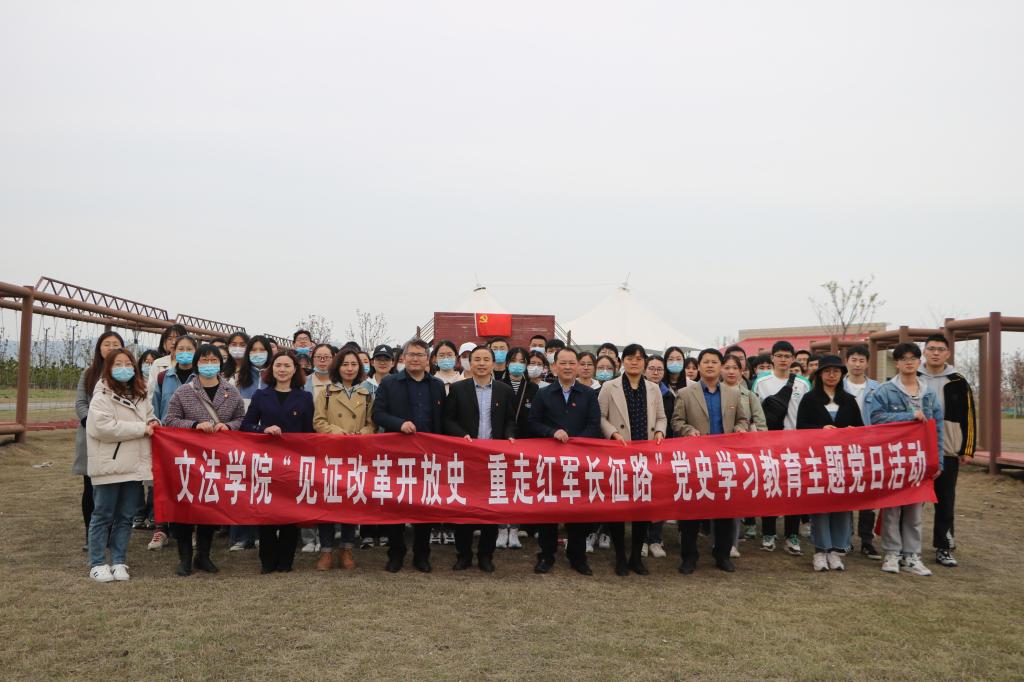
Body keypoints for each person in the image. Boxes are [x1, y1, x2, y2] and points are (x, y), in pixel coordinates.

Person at [164, 344, 246, 576]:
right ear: (197, 363)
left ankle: (203, 555)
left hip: (216, 460)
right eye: (204, 360)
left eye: (213, 360)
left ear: (220, 363)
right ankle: (184, 558)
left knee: (209, 507)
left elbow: (241, 418)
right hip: (188, 459)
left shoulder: (231, 391)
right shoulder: (184, 392)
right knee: (185, 506)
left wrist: (228, 426)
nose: (209, 364)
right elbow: (170, 420)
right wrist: (193, 425)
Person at [866, 342, 943, 577]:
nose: (909, 362)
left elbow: (937, 428)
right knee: (892, 508)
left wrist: (938, 461)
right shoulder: (885, 390)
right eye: (903, 359)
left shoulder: (929, 393)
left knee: (915, 509)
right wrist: (908, 416)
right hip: (894, 457)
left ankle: (912, 555)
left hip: (920, 459)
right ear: (897, 363)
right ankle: (892, 553)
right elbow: (876, 418)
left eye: (913, 358)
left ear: (919, 361)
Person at [671, 348, 750, 574]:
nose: (710, 366)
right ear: (699, 366)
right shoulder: (686, 393)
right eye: (705, 362)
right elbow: (676, 422)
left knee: (725, 510)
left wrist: (739, 429)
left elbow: (743, 420)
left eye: (714, 362)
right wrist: (689, 430)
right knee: (691, 512)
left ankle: (722, 554)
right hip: (696, 460)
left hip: (725, 460)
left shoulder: (733, 393)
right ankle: (689, 557)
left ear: (721, 366)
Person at [372, 338, 447, 573]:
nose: (415, 359)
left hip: (427, 456)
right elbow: (377, 414)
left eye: (420, 355)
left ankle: (422, 555)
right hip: (398, 454)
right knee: (396, 505)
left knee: (425, 505)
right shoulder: (389, 383)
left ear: (428, 359)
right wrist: (399, 424)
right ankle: (396, 554)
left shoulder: (436, 385)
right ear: (403, 358)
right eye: (411, 354)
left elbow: (442, 419)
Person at [85, 348, 158, 582]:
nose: (124, 368)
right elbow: (103, 428)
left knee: (126, 517)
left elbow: (149, 415)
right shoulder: (102, 394)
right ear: (108, 367)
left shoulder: (140, 393)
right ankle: (97, 563)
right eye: (118, 364)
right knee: (103, 515)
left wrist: (153, 422)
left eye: (128, 364)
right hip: (110, 465)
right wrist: (141, 429)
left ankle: (118, 560)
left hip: (134, 466)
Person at [528, 347, 602, 575]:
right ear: (554, 367)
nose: (568, 367)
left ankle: (577, 557)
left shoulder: (588, 394)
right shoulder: (543, 393)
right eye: (563, 363)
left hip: (578, 462)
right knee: (548, 510)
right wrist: (552, 432)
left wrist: (577, 442)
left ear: (578, 366)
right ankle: (546, 555)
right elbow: (533, 423)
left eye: (572, 363)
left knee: (577, 510)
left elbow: (595, 425)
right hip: (551, 462)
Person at [443, 345, 517, 572]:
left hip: (494, 459)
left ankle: (486, 555)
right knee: (464, 508)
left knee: (490, 509)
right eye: (477, 359)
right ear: (469, 363)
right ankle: (463, 555)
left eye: (486, 359)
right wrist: (461, 435)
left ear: (493, 363)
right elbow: (448, 419)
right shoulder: (458, 389)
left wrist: (510, 435)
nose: (482, 363)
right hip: (466, 457)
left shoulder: (504, 390)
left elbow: (510, 419)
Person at [242, 351, 315, 573]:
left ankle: (285, 561)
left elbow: (309, 432)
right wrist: (264, 429)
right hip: (267, 462)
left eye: (287, 366)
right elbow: (246, 425)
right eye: (278, 365)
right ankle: (267, 560)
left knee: (289, 512)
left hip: (293, 463)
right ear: (271, 369)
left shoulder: (305, 397)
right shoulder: (260, 395)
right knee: (267, 511)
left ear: (295, 370)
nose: (282, 370)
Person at [597, 344, 666, 576]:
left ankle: (636, 557)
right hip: (619, 454)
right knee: (618, 507)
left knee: (642, 507)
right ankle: (619, 556)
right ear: (622, 361)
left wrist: (660, 431)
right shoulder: (609, 387)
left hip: (646, 456)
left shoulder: (653, 388)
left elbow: (661, 417)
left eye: (638, 358)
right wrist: (612, 433)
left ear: (644, 362)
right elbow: (600, 417)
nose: (634, 362)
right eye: (629, 358)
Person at [796, 355, 864, 572]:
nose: (832, 375)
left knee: (842, 506)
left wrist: (852, 432)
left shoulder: (849, 400)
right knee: (820, 506)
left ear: (842, 374)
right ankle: (820, 550)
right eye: (827, 371)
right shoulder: (809, 399)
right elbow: (800, 428)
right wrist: (820, 430)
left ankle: (836, 550)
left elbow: (861, 429)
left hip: (843, 463)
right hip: (819, 462)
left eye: (836, 371)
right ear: (819, 374)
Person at [312, 348, 375, 571]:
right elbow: (318, 421)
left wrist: (362, 434)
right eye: (345, 364)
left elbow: (372, 424)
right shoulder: (326, 392)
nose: (349, 368)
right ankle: (326, 550)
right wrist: (338, 432)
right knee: (328, 502)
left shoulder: (366, 394)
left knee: (350, 501)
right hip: (330, 454)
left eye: (354, 364)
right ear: (337, 367)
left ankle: (347, 549)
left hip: (355, 454)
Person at [918, 334, 976, 568]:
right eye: (931, 348)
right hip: (917, 449)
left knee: (945, 500)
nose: (935, 353)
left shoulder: (958, 381)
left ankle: (944, 546)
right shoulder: (913, 377)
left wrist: (967, 448)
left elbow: (969, 416)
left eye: (940, 349)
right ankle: (907, 546)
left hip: (948, 449)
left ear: (948, 353)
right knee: (914, 500)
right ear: (924, 351)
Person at [752, 340, 811, 555]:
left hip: (795, 444)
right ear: (772, 358)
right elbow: (754, 411)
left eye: (787, 356)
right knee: (770, 486)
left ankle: (791, 535)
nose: (783, 360)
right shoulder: (761, 381)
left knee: (794, 489)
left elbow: (807, 412)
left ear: (793, 359)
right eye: (779, 356)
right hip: (769, 444)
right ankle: (768, 533)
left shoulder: (803, 383)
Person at [74, 331, 125, 551]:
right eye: (107, 344)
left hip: (118, 437)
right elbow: (80, 403)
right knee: (90, 488)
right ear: (99, 348)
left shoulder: (126, 373)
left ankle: (111, 533)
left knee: (114, 488)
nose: (111, 347)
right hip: (91, 436)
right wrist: (92, 423)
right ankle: (91, 535)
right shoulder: (89, 373)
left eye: (116, 344)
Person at [721, 354, 767, 545]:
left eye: (735, 368)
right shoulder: (714, 392)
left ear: (742, 372)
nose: (731, 371)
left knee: (737, 495)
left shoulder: (749, 396)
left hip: (743, 453)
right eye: (727, 367)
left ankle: (733, 540)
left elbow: (761, 425)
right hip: (719, 453)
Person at [843, 344, 883, 559]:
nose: (857, 364)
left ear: (867, 363)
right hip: (843, 447)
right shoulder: (837, 386)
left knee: (869, 494)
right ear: (846, 361)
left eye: (861, 360)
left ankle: (867, 540)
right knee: (845, 492)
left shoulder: (878, 388)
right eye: (853, 360)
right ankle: (845, 538)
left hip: (870, 447)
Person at [496, 347, 537, 550]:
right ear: (507, 363)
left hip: (524, 443)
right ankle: (501, 528)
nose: (517, 365)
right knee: (501, 486)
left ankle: (514, 528)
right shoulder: (498, 384)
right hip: (500, 442)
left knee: (518, 486)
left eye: (522, 361)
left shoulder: (533, 389)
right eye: (514, 360)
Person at [642, 354, 672, 559]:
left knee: (659, 496)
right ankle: (642, 539)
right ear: (645, 370)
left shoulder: (669, 395)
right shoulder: (637, 391)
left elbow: (670, 421)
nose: (655, 372)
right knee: (643, 496)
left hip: (662, 452)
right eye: (651, 368)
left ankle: (655, 539)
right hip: (641, 451)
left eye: (659, 369)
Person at [146, 324, 188, 401]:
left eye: (178, 338)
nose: (174, 342)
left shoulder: (193, 363)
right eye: (169, 338)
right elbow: (151, 392)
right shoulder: (158, 363)